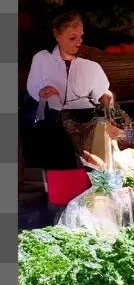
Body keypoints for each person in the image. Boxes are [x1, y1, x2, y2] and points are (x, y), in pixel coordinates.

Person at [25, 11, 114, 195]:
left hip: (84, 126)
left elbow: (103, 96)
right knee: (61, 181)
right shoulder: (42, 60)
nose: (78, 42)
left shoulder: (89, 67)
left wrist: (107, 98)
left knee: (89, 180)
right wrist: (43, 92)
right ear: (57, 35)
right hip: (53, 128)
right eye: (72, 38)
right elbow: (34, 89)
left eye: (80, 37)